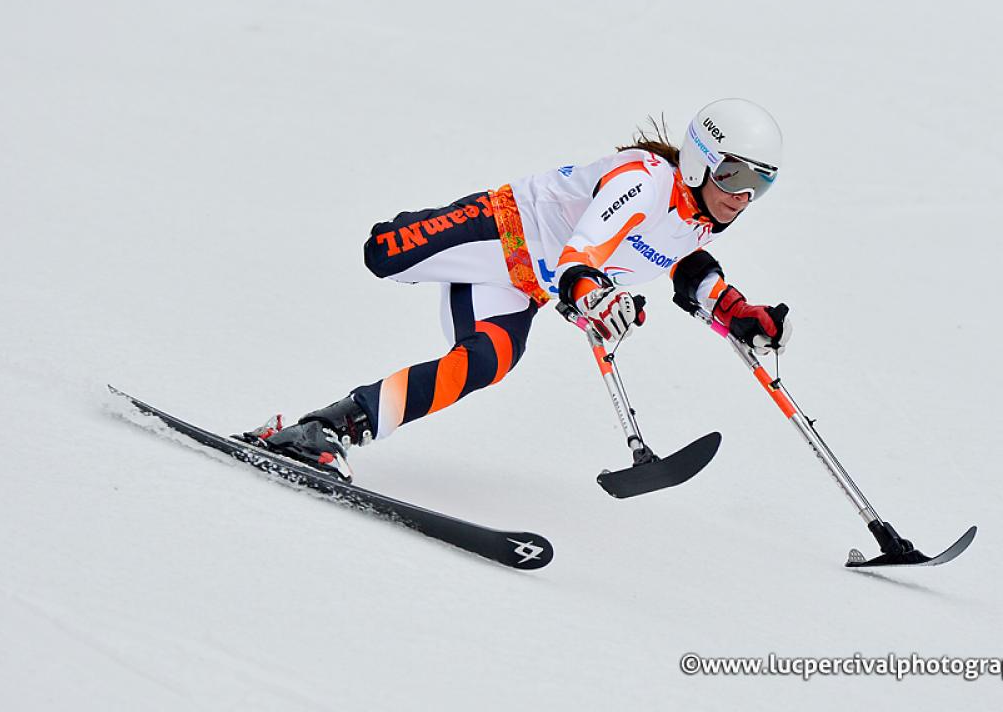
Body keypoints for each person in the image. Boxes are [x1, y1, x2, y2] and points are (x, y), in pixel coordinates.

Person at [248, 98, 793, 479]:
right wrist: (593, 293)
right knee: (384, 253)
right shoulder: (644, 180)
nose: (742, 198)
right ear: (700, 159)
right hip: (498, 229)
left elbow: (685, 262)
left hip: (523, 286)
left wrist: (737, 312)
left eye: (758, 186)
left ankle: (328, 429)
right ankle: (416, 233)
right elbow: (585, 251)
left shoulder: (694, 218)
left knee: (486, 362)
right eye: (733, 177)